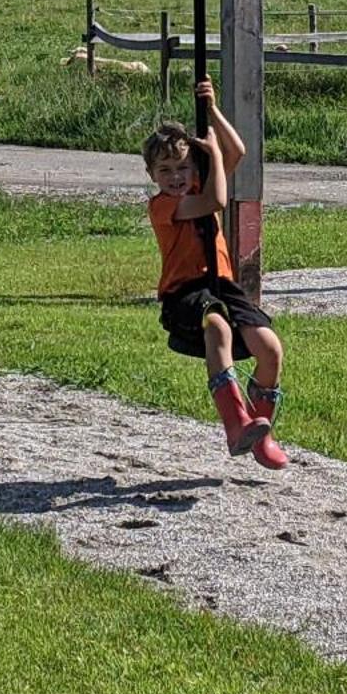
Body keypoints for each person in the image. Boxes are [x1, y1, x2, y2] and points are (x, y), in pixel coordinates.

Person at [143, 80, 288, 471]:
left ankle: (261, 434)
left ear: (194, 168)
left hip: (223, 284)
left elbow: (236, 150)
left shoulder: (201, 179)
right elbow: (216, 201)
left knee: (270, 348)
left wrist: (211, 112)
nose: (175, 176)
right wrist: (212, 163)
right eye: (165, 170)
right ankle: (235, 424)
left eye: (184, 167)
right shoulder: (162, 207)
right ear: (152, 175)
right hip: (185, 291)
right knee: (218, 327)